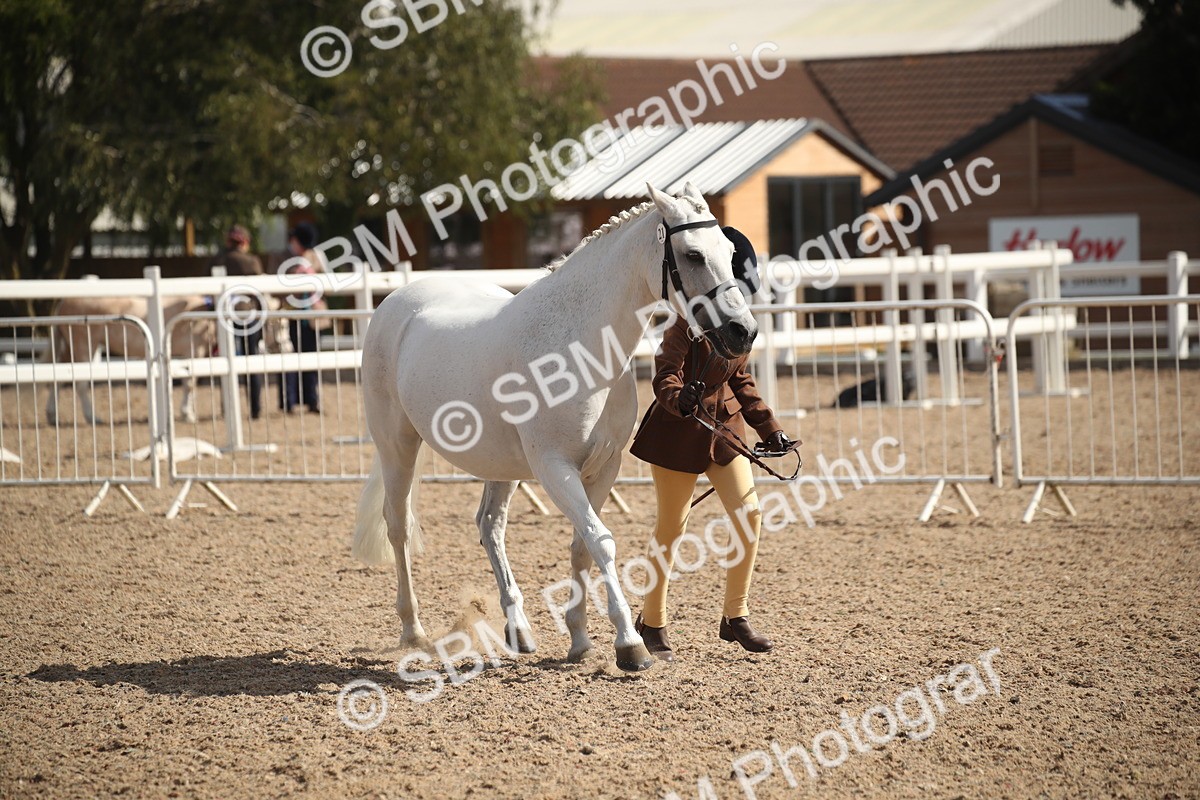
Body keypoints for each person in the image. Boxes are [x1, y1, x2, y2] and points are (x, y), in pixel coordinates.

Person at [629, 311, 793, 662]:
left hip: (724, 432)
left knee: (750, 514)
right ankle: (652, 623)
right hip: (677, 433)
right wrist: (679, 397)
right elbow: (665, 376)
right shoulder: (682, 326)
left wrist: (770, 428)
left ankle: (736, 617)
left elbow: (741, 381)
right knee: (672, 527)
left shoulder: (740, 328)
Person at [210, 225, 265, 419]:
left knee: (226, 361)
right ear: (245, 243)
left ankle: (228, 407)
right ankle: (255, 408)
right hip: (249, 316)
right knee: (251, 361)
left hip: (225, 316)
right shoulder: (251, 261)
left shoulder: (219, 261)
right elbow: (260, 293)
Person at [279, 222, 324, 413]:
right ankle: (288, 401)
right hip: (290, 314)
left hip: (312, 315)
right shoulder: (285, 258)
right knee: (288, 359)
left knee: (311, 359)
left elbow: (326, 283)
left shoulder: (316, 257)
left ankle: (312, 400)